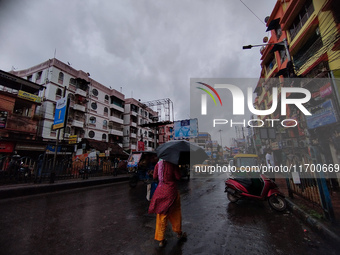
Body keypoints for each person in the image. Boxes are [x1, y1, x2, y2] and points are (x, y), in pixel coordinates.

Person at [148, 159, 187, 248]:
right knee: (175, 213)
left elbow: (154, 177)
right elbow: (178, 177)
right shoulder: (173, 164)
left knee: (161, 215)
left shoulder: (158, 164)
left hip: (160, 191)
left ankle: (161, 240)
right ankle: (179, 233)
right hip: (171, 192)